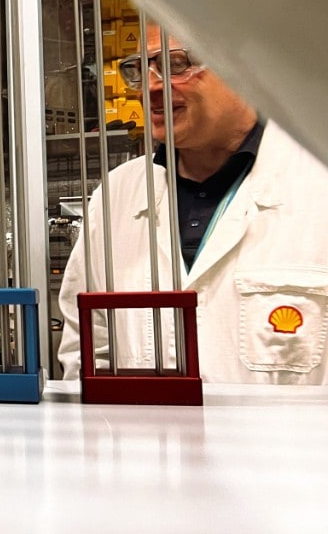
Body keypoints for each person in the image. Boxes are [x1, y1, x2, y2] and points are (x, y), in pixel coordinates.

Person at [57, 24, 328, 384]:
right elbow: (87, 350)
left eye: (177, 64)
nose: (151, 86)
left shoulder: (316, 183)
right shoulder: (119, 193)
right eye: (139, 69)